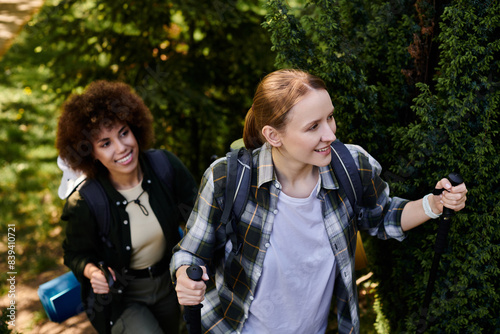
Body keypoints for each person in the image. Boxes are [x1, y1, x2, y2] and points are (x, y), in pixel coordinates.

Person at [169, 69, 468, 334]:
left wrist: (436, 203)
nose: (330, 134)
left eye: (330, 117)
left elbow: (385, 215)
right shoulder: (227, 178)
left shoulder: (350, 165)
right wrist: (184, 275)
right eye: (313, 127)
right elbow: (191, 253)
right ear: (273, 135)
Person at [56, 80, 197, 334]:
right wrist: (92, 272)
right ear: (92, 154)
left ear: (135, 128)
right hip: (120, 299)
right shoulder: (86, 202)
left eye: (123, 133)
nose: (122, 148)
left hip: (168, 283)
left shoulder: (165, 166)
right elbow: (74, 254)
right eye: (105, 143)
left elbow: (198, 218)